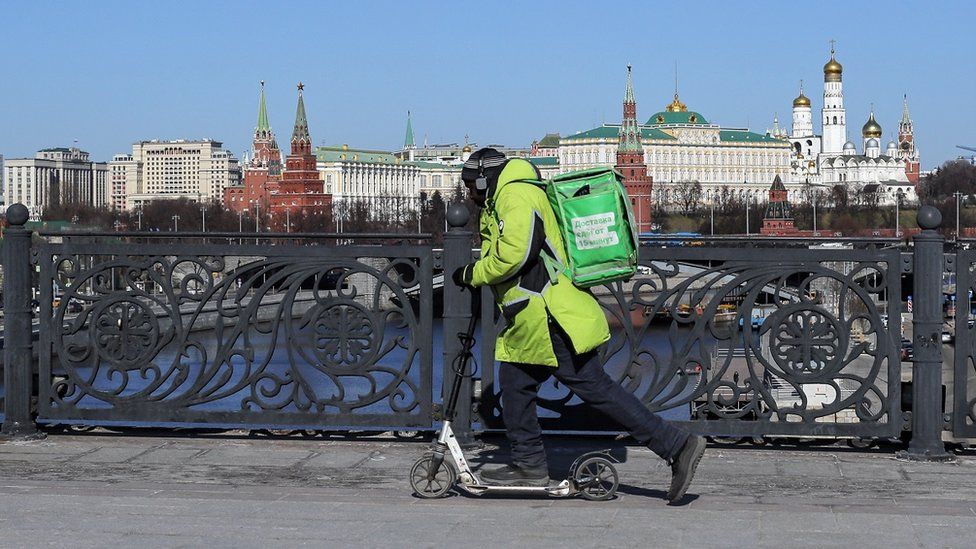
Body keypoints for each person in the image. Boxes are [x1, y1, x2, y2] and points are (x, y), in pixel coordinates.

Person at [452, 147, 706, 502]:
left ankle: (676, 445)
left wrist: (472, 274)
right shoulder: (509, 196)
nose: (470, 195)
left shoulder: (516, 195)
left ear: (484, 178)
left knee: (592, 387)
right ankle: (529, 463)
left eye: (471, 186)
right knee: (516, 384)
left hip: (549, 316)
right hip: (533, 316)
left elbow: (515, 254)